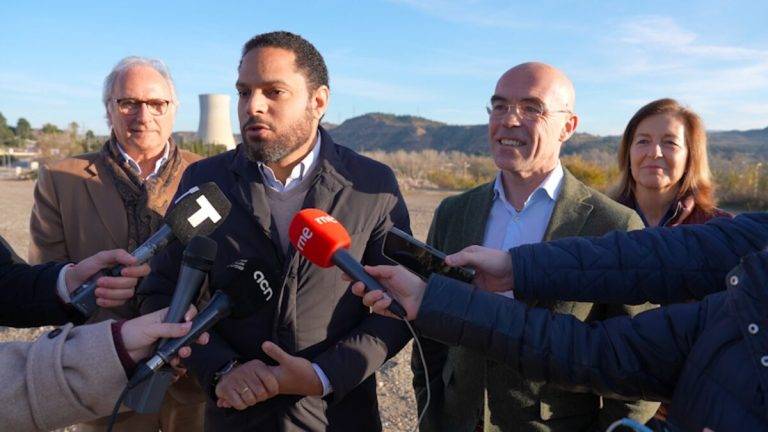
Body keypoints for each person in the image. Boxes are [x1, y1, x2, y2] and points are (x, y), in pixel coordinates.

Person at [137, 31, 411, 431]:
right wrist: (221, 369)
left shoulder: (372, 184)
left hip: (337, 417)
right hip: (235, 417)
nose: (253, 106)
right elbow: (161, 292)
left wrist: (323, 375)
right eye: (244, 92)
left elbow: (400, 306)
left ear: (318, 101)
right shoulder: (206, 180)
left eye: (274, 92)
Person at [352, 212, 768, 432]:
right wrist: (516, 269)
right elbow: (597, 351)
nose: (510, 120)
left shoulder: (611, 214)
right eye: (498, 106)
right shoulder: (744, 300)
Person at [413, 61, 657, 432]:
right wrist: (430, 411)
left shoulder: (614, 225)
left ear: (568, 127)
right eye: (499, 106)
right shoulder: (453, 212)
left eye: (532, 108)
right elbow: (428, 329)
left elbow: (640, 364)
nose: (509, 120)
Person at [27, 56, 204, 432]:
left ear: (174, 109)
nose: (143, 115)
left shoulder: (211, 173)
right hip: (107, 381)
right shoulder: (60, 179)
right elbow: (46, 280)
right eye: (128, 103)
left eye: (156, 103)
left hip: (193, 379)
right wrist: (109, 348)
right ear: (108, 109)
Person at [613, 98, 731, 227]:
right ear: (628, 153)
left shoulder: (720, 228)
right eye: (643, 141)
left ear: (691, 158)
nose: (654, 153)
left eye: (670, 142)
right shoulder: (601, 221)